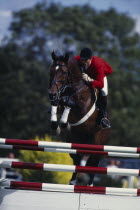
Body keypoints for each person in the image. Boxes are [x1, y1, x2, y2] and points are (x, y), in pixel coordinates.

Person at [74, 47, 113, 128]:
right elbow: (70, 62)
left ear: (90, 58)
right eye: (82, 60)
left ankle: (103, 117)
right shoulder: (79, 59)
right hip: (89, 74)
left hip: (100, 77)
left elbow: (100, 84)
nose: (83, 62)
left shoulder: (98, 64)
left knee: (103, 92)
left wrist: (90, 81)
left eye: (85, 60)